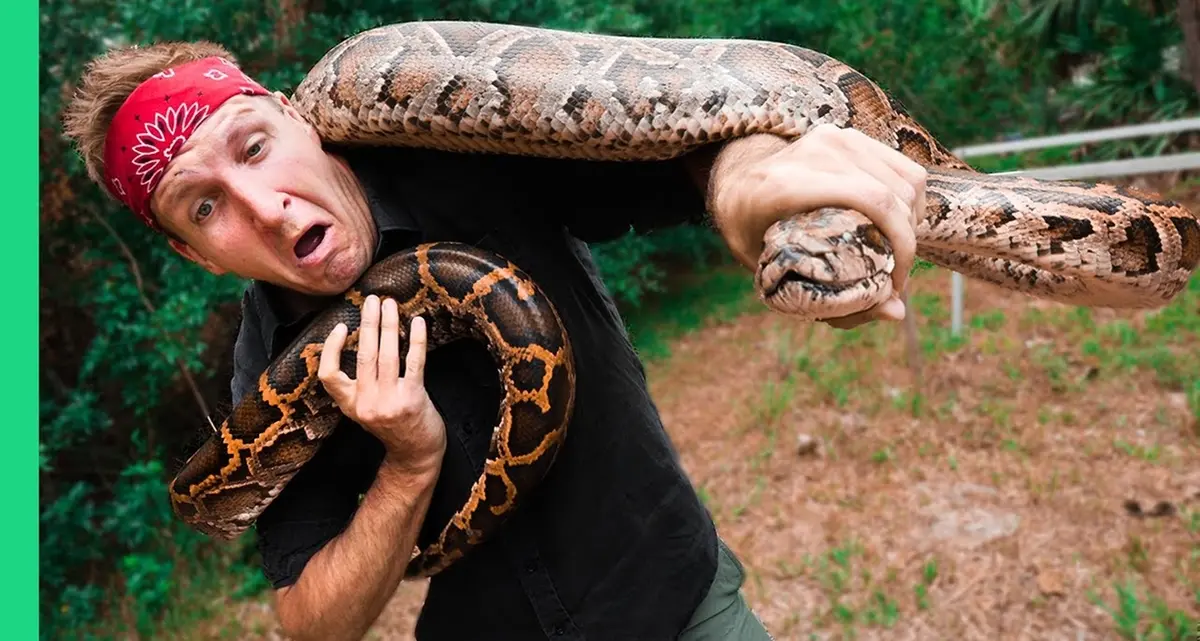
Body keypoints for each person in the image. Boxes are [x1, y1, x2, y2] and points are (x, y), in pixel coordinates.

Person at [62, 34, 927, 641]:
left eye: (253, 148)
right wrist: (408, 461)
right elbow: (310, 621)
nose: (261, 206)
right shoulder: (266, 368)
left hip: (679, 605)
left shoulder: (467, 147)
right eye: (204, 206)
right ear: (192, 253)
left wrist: (752, 198)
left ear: (296, 114)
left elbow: (695, 146)